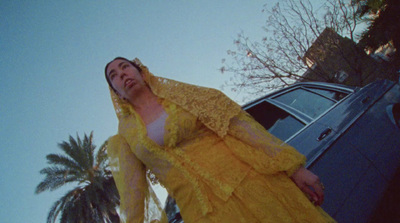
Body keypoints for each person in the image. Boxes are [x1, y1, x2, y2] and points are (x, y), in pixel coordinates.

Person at [104, 57, 336, 223]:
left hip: (252, 185)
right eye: (113, 75)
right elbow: (133, 194)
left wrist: (293, 168)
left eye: (125, 67)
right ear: (116, 93)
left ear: (142, 73)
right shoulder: (125, 137)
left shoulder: (186, 97)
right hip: (203, 214)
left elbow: (242, 129)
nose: (122, 74)